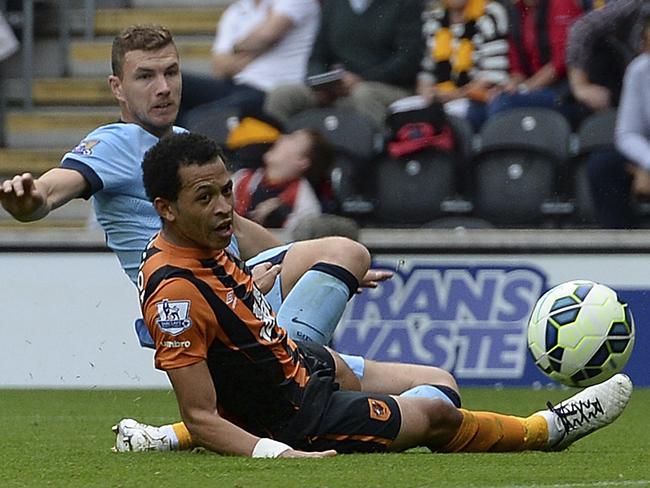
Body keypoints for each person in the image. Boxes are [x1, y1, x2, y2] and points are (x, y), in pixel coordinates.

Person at [117, 130, 632, 457]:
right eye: (204, 197)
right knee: (436, 415)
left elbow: (226, 308)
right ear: (165, 208)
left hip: (296, 361)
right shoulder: (175, 296)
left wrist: (254, 289)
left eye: (226, 190)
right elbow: (201, 414)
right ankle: (546, 429)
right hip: (294, 415)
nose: (223, 207)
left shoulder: (199, 240)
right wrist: (277, 454)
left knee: (440, 381)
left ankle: (162, 439)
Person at [0, 24, 391, 348]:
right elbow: (51, 190)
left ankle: (235, 404)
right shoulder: (114, 143)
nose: (164, 87)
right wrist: (30, 202)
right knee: (344, 251)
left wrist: (318, 267)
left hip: (242, 286)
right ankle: (285, 378)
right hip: (197, 299)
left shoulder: (184, 140)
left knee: (432, 392)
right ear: (117, 87)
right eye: (146, 76)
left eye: (171, 72)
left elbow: (236, 228)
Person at [263, 0, 424, 127]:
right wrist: (321, 83)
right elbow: (317, 57)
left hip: (387, 87)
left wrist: (361, 79)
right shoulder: (335, 3)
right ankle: (275, 161)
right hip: (337, 87)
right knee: (282, 95)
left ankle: (374, 162)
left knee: (364, 94)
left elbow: (407, 61)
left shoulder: (406, 3)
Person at [565, 0, 648, 228]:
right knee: (604, 167)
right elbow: (628, 133)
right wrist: (646, 164)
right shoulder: (640, 70)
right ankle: (620, 249)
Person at [178, 0, 321, 126]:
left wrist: (235, 49)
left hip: (270, 90)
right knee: (176, 84)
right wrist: (257, 48)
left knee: (197, 117)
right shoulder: (236, 10)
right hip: (236, 85)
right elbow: (219, 68)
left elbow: (266, 36)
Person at [480, 0, 583, 129]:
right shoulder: (517, 10)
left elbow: (560, 62)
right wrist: (509, 87)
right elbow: (517, 69)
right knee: (492, 101)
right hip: (533, 90)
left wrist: (525, 88)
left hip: (564, 92)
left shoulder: (561, 3)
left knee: (502, 104)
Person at [417, 0, 510, 131]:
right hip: (441, 98)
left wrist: (455, 95)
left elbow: (493, 76)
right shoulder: (434, 18)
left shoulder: (490, 13)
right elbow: (426, 72)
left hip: (476, 99)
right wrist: (427, 92)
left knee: (451, 120)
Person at [232, 128, 334, 230]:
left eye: (293, 139)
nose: (281, 137)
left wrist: (281, 217)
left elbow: (302, 238)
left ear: (302, 162)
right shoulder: (242, 179)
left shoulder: (305, 206)